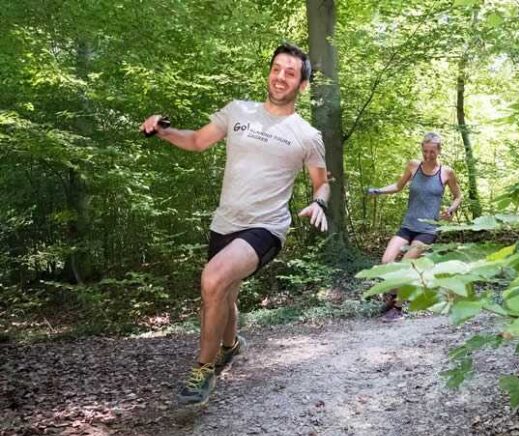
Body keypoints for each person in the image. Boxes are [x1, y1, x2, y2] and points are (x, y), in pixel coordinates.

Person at [140, 43, 329, 406]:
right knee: (223, 293)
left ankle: (201, 372)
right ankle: (229, 345)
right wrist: (163, 131)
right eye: (277, 68)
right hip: (225, 222)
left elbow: (322, 181)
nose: (281, 76)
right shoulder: (238, 111)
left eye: (291, 72)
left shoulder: (306, 134)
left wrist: (319, 200)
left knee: (213, 278)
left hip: (267, 228)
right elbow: (196, 140)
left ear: (302, 85)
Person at [366, 132, 462, 321]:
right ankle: (393, 299)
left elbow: (458, 196)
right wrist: (378, 191)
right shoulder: (413, 166)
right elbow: (398, 186)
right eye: (425, 151)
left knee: (406, 265)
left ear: (439, 151)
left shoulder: (446, 173)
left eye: (432, 152)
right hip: (408, 225)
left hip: (428, 229)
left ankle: (398, 309)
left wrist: (450, 210)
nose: (428, 155)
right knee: (386, 261)